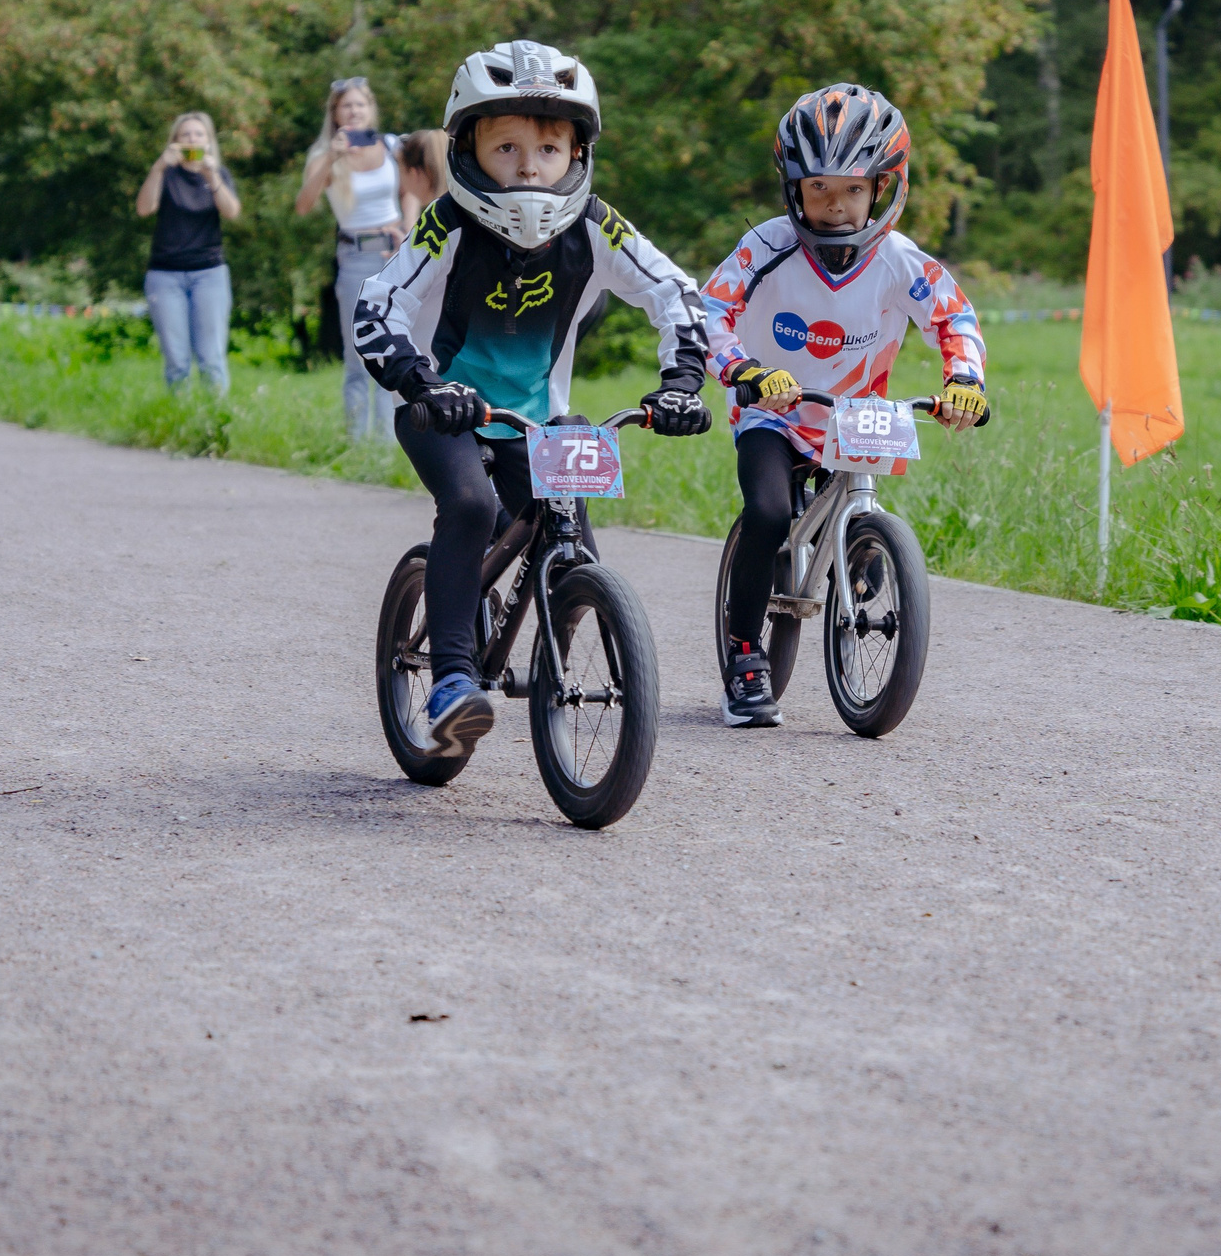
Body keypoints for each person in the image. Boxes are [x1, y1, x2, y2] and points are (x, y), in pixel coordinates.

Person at [354, 38, 713, 758]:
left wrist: (680, 383)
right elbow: (376, 306)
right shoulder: (447, 224)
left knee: (572, 530)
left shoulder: (595, 224)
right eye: (507, 146)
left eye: (548, 149)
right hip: (445, 411)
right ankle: (454, 677)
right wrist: (421, 383)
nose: (528, 166)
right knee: (471, 506)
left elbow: (676, 292)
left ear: (576, 153)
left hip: (539, 421)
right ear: (466, 149)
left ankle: (569, 649)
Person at [700, 84, 989, 727]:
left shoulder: (898, 259)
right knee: (769, 512)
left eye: (852, 190)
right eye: (819, 189)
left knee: (866, 534)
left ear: (883, 188)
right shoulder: (766, 246)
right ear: (793, 187)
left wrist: (964, 380)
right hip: (772, 411)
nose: (833, 207)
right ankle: (746, 659)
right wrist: (741, 369)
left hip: (853, 412)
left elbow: (954, 317)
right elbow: (711, 310)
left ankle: (861, 558)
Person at [296, 78, 427, 443]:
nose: (354, 111)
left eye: (360, 105)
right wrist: (332, 158)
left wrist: (409, 228)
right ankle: (356, 445)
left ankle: (388, 446)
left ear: (371, 109)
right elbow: (304, 205)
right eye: (346, 106)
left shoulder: (391, 146)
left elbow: (412, 191)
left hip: (393, 254)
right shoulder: (324, 155)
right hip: (354, 255)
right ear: (335, 114)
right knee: (358, 357)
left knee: (393, 351)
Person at [134, 110, 240, 392]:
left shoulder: (218, 174)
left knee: (211, 358)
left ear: (208, 141)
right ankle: (181, 425)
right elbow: (144, 208)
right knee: (177, 361)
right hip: (165, 275)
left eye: (198, 134)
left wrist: (211, 174)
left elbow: (232, 212)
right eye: (185, 135)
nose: (192, 140)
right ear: (175, 142)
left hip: (209, 273)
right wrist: (158, 168)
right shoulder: (166, 174)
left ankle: (215, 425)